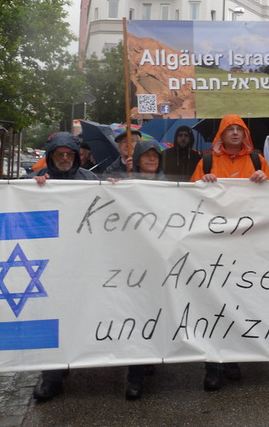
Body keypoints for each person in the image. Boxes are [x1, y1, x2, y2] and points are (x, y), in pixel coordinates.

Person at [189, 114, 269, 391]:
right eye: (230, 129)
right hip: (213, 246)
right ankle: (212, 364)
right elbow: (190, 200)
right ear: (222, 135)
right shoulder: (207, 162)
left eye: (240, 129)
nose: (235, 133)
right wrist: (203, 184)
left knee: (238, 301)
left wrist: (266, 179)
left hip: (246, 244)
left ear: (246, 134)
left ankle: (232, 357)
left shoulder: (257, 161)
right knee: (212, 303)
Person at [30, 132, 99, 402]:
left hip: (82, 259)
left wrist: (115, 185)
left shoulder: (90, 179)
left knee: (78, 313)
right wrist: (32, 189)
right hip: (49, 261)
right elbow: (20, 205)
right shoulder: (36, 179)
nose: (65, 158)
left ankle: (73, 358)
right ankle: (51, 376)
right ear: (50, 156)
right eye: (60, 154)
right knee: (52, 315)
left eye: (69, 154)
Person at [120, 138, 166, 400]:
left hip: (160, 264)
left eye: (155, 156)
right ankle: (134, 375)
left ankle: (151, 358)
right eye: (146, 155)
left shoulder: (171, 188)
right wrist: (114, 187)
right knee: (136, 316)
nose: (151, 159)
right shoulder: (124, 185)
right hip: (132, 265)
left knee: (156, 313)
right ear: (136, 159)